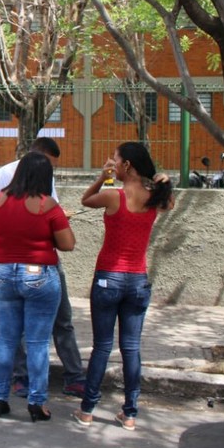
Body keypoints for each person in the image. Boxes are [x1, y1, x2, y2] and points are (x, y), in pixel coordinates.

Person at [72, 142, 174, 432]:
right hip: (138, 280)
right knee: (131, 348)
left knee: (102, 347)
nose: (112, 164)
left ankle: (87, 410)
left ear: (127, 165)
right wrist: (163, 181)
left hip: (108, 278)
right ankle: (129, 413)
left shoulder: (113, 195)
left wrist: (101, 177)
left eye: (115, 161)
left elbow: (85, 200)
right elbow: (170, 202)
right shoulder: (154, 198)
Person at [0, 137, 87, 399]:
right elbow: (68, 244)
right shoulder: (46, 203)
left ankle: (0, 396)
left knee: (6, 339)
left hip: (5, 272)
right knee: (38, 341)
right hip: (40, 271)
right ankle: (36, 398)